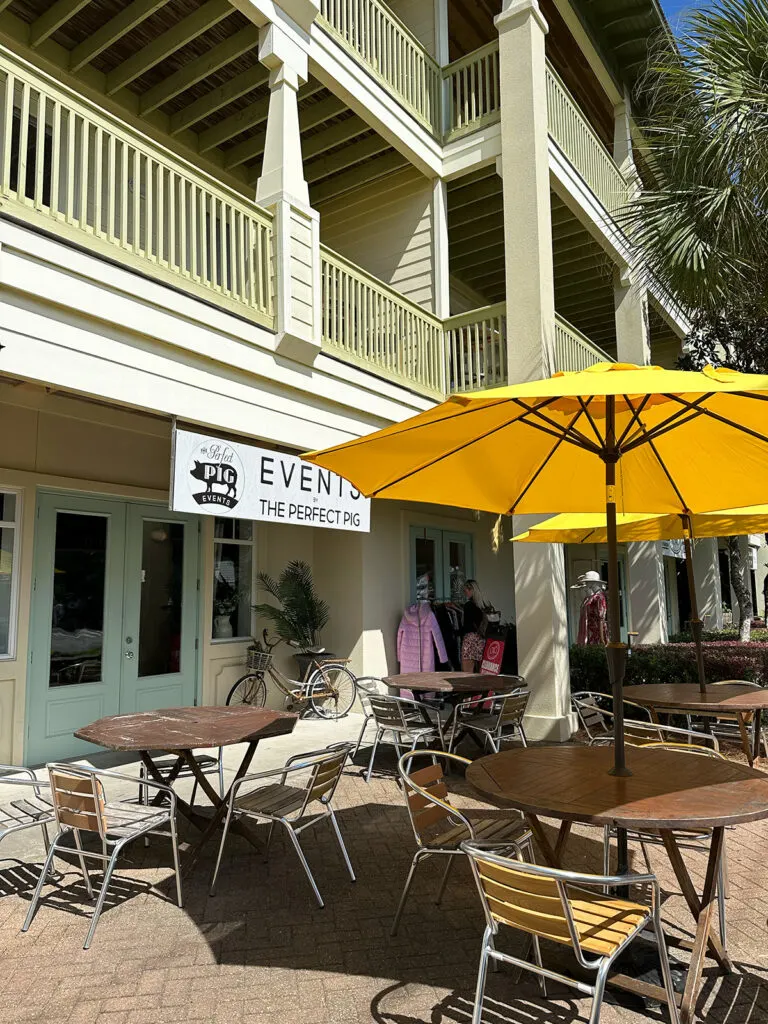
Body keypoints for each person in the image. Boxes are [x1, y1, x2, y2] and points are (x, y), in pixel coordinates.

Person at [461, 579, 486, 672]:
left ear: (471, 590)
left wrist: (456, 632)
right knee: (480, 670)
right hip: (481, 639)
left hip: (470, 639)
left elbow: (467, 626)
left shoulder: (468, 606)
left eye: (465, 591)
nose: (465, 593)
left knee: (467, 672)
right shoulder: (483, 604)